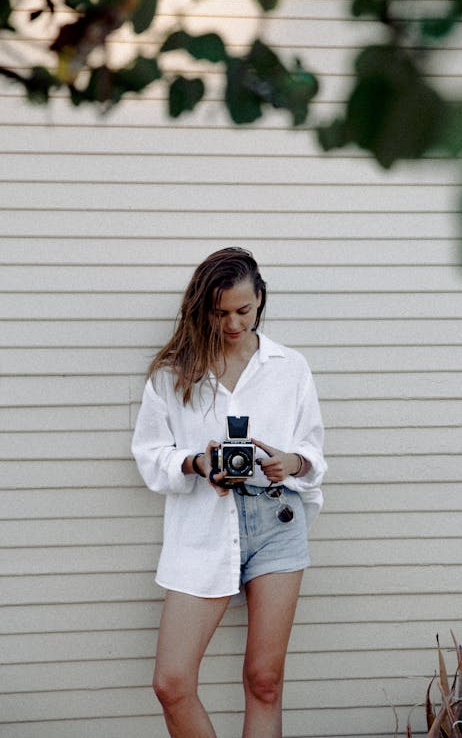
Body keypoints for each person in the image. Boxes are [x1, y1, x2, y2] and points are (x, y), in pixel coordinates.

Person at [132, 246, 327, 738]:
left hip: (278, 522)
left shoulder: (290, 367)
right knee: (172, 682)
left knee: (264, 681)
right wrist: (197, 463)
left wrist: (293, 462)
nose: (233, 323)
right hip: (203, 523)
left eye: (243, 309)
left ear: (260, 299)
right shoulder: (175, 373)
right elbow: (150, 454)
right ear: (203, 309)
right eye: (220, 313)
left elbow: (314, 453)